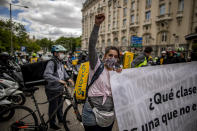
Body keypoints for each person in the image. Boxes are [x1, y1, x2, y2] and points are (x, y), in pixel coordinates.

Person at [82, 14, 122, 131]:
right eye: (110, 55)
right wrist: (97, 25)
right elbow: (91, 45)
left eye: (115, 56)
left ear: (118, 59)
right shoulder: (96, 65)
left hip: (109, 115)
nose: (112, 58)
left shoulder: (118, 73)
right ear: (105, 56)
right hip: (91, 112)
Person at [43, 45, 74, 130]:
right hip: (52, 89)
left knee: (60, 106)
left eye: (63, 53)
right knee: (53, 107)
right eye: (61, 52)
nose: (63, 54)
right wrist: (59, 80)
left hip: (59, 89)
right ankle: (52, 124)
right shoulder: (51, 63)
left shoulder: (60, 62)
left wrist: (68, 79)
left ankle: (61, 119)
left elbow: (63, 73)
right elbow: (46, 75)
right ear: (56, 53)